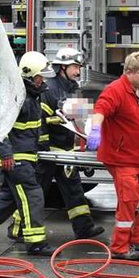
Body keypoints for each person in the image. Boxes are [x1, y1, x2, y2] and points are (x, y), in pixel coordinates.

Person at [86, 51, 139, 261]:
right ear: (128, 72)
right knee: (129, 199)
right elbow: (100, 110)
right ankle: (120, 247)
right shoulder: (116, 91)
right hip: (122, 159)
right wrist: (95, 130)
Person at [0, 51, 55, 256]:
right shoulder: (18, 97)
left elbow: (32, 129)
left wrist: (43, 148)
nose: (43, 81)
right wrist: (6, 155)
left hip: (22, 157)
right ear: (30, 76)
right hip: (16, 159)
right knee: (33, 195)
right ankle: (36, 242)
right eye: (40, 77)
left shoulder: (31, 95)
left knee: (8, 199)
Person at [34, 47, 104, 240]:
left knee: (73, 188)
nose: (78, 71)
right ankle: (17, 226)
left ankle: (84, 228)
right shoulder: (49, 88)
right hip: (48, 150)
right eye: (74, 66)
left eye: (78, 66)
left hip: (64, 149)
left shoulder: (72, 88)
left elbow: (80, 119)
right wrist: (43, 146)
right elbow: (40, 120)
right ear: (62, 67)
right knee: (37, 190)